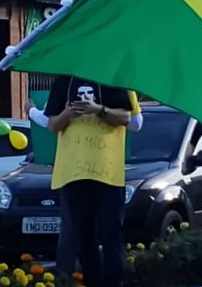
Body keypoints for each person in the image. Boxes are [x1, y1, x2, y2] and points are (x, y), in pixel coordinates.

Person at [28, 93, 142, 275]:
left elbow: (134, 122)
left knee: (110, 237)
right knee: (83, 241)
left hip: (108, 175)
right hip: (73, 175)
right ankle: (88, 284)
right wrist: (63, 113)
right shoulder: (65, 81)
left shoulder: (116, 81)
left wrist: (99, 109)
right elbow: (51, 124)